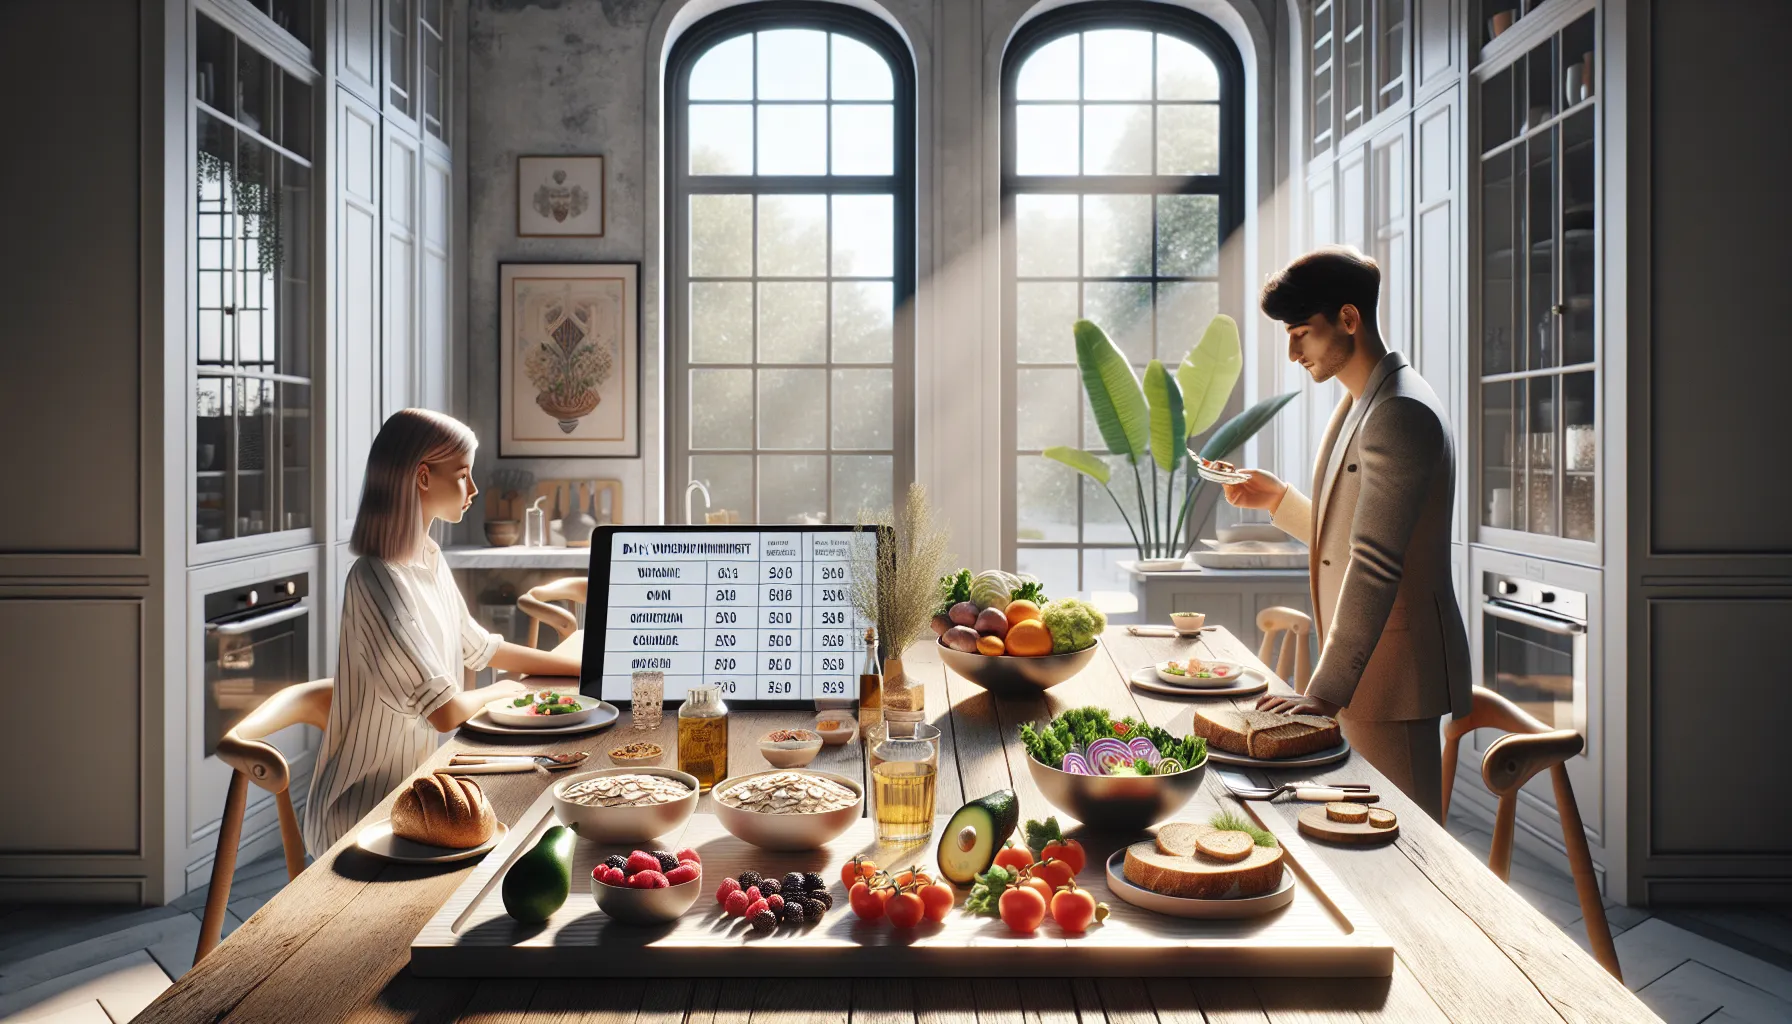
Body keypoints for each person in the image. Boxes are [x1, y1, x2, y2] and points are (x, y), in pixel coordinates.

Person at [1222, 247, 1470, 821]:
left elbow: (1377, 562)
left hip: (1391, 674)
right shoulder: (1363, 401)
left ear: (1350, 319)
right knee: (1364, 841)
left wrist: (1321, 694)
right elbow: (1358, 536)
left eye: (1303, 333)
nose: (1292, 352)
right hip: (1363, 667)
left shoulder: (1401, 412)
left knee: (1408, 853)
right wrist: (1278, 500)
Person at [302, 409, 581, 855]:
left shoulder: (428, 558)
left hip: (420, 787)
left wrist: (579, 668)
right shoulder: (374, 578)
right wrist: (502, 691)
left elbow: (482, 648)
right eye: (464, 475)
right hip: (363, 807)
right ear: (423, 477)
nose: (472, 490)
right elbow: (447, 713)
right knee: (528, 822)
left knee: (538, 809)